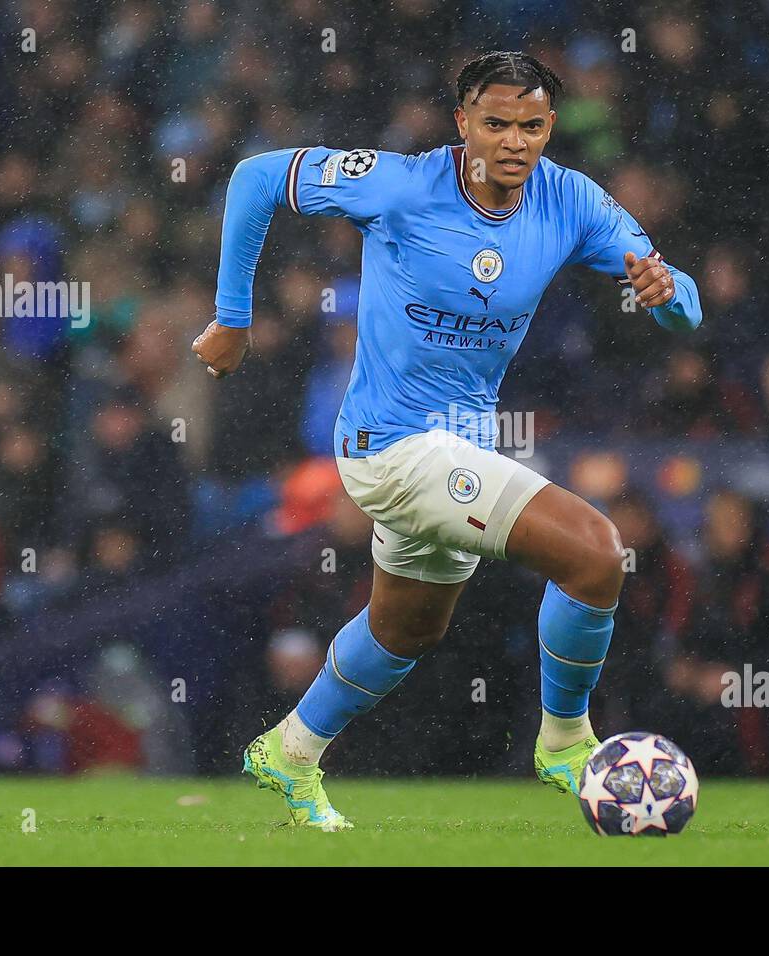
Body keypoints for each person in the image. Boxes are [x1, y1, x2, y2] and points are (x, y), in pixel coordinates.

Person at [193, 51, 701, 829]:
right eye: (495, 123)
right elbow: (258, 176)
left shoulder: (572, 203)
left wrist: (665, 297)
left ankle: (289, 751)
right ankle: (565, 743)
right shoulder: (397, 183)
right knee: (597, 552)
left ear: (549, 129)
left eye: (530, 126)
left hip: (462, 448)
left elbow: (683, 305)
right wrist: (233, 316)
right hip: (388, 446)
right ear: (463, 122)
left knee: (406, 629)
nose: (513, 141)